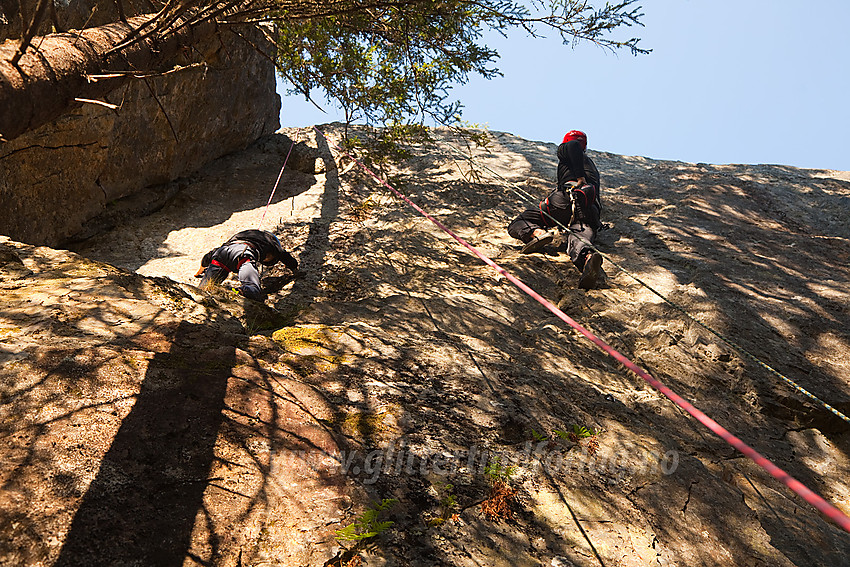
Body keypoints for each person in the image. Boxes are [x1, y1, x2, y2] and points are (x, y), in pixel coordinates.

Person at [507, 130, 604, 290]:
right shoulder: (592, 166)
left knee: (519, 221)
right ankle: (587, 258)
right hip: (589, 212)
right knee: (581, 237)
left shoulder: (567, 149)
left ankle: (537, 234)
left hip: (564, 201)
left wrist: (579, 177)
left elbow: (573, 145)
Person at [194, 229, 298, 301]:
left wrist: (202, 268)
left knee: (201, 292)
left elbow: (208, 256)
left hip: (221, 254)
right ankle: (234, 291)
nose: (265, 260)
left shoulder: (240, 237)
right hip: (243, 255)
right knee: (253, 290)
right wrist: (295, 268)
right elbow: (284, 256)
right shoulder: (271, 243)